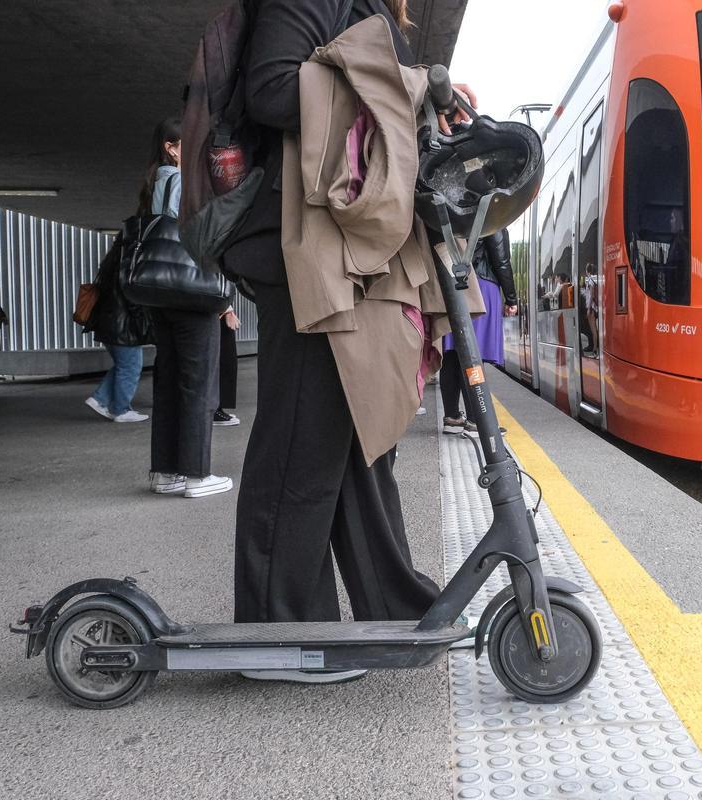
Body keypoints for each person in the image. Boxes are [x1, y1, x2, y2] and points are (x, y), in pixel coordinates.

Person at [223, 0, 475, 684]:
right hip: (306, 246)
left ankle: (389, 607)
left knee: (361, 441)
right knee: (301, 441)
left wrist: (423, 91)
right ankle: (279, 631)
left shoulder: (357, 5)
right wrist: (411, 84)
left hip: (344, 248)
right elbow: (272, 91)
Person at [141, 116, 231, 499]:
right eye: (188, 144)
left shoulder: (151, 184)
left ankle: (165, 472)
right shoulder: (181, 183)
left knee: (168, 382)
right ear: (171, 147)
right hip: (191, 294)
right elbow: (199, 236)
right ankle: (196, 474)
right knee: (198, 384)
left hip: (159, 294)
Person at [441, 228, 517, 434]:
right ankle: (476, 420)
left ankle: (452, 417)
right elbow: (501, 261)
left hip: (452, 283)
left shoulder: (455, 210)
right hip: (480, 287)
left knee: (452, 353)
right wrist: (511, 298)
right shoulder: (493, 213)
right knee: (473, 355)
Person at [214, 306, 240, 426]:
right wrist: (227, 309)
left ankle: (214, 408)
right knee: (223, 355)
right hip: (212, 305)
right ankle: (214, 409)